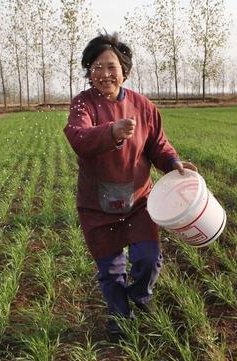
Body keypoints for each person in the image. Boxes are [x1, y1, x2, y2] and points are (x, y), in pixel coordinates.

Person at [64, 32, 197, 341]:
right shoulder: (83, 104)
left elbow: (158, 145)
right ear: (88, 71)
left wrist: (174, 162)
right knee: (110, 270)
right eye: (96, 67)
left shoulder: (143, 106)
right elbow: (79, 138)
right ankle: (120, 320)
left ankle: (140, 293)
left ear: (124, 69)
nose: (104, 74)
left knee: (148, 259)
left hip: (138, 201)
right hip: (97, 205)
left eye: (111, 66)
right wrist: (112, 131)